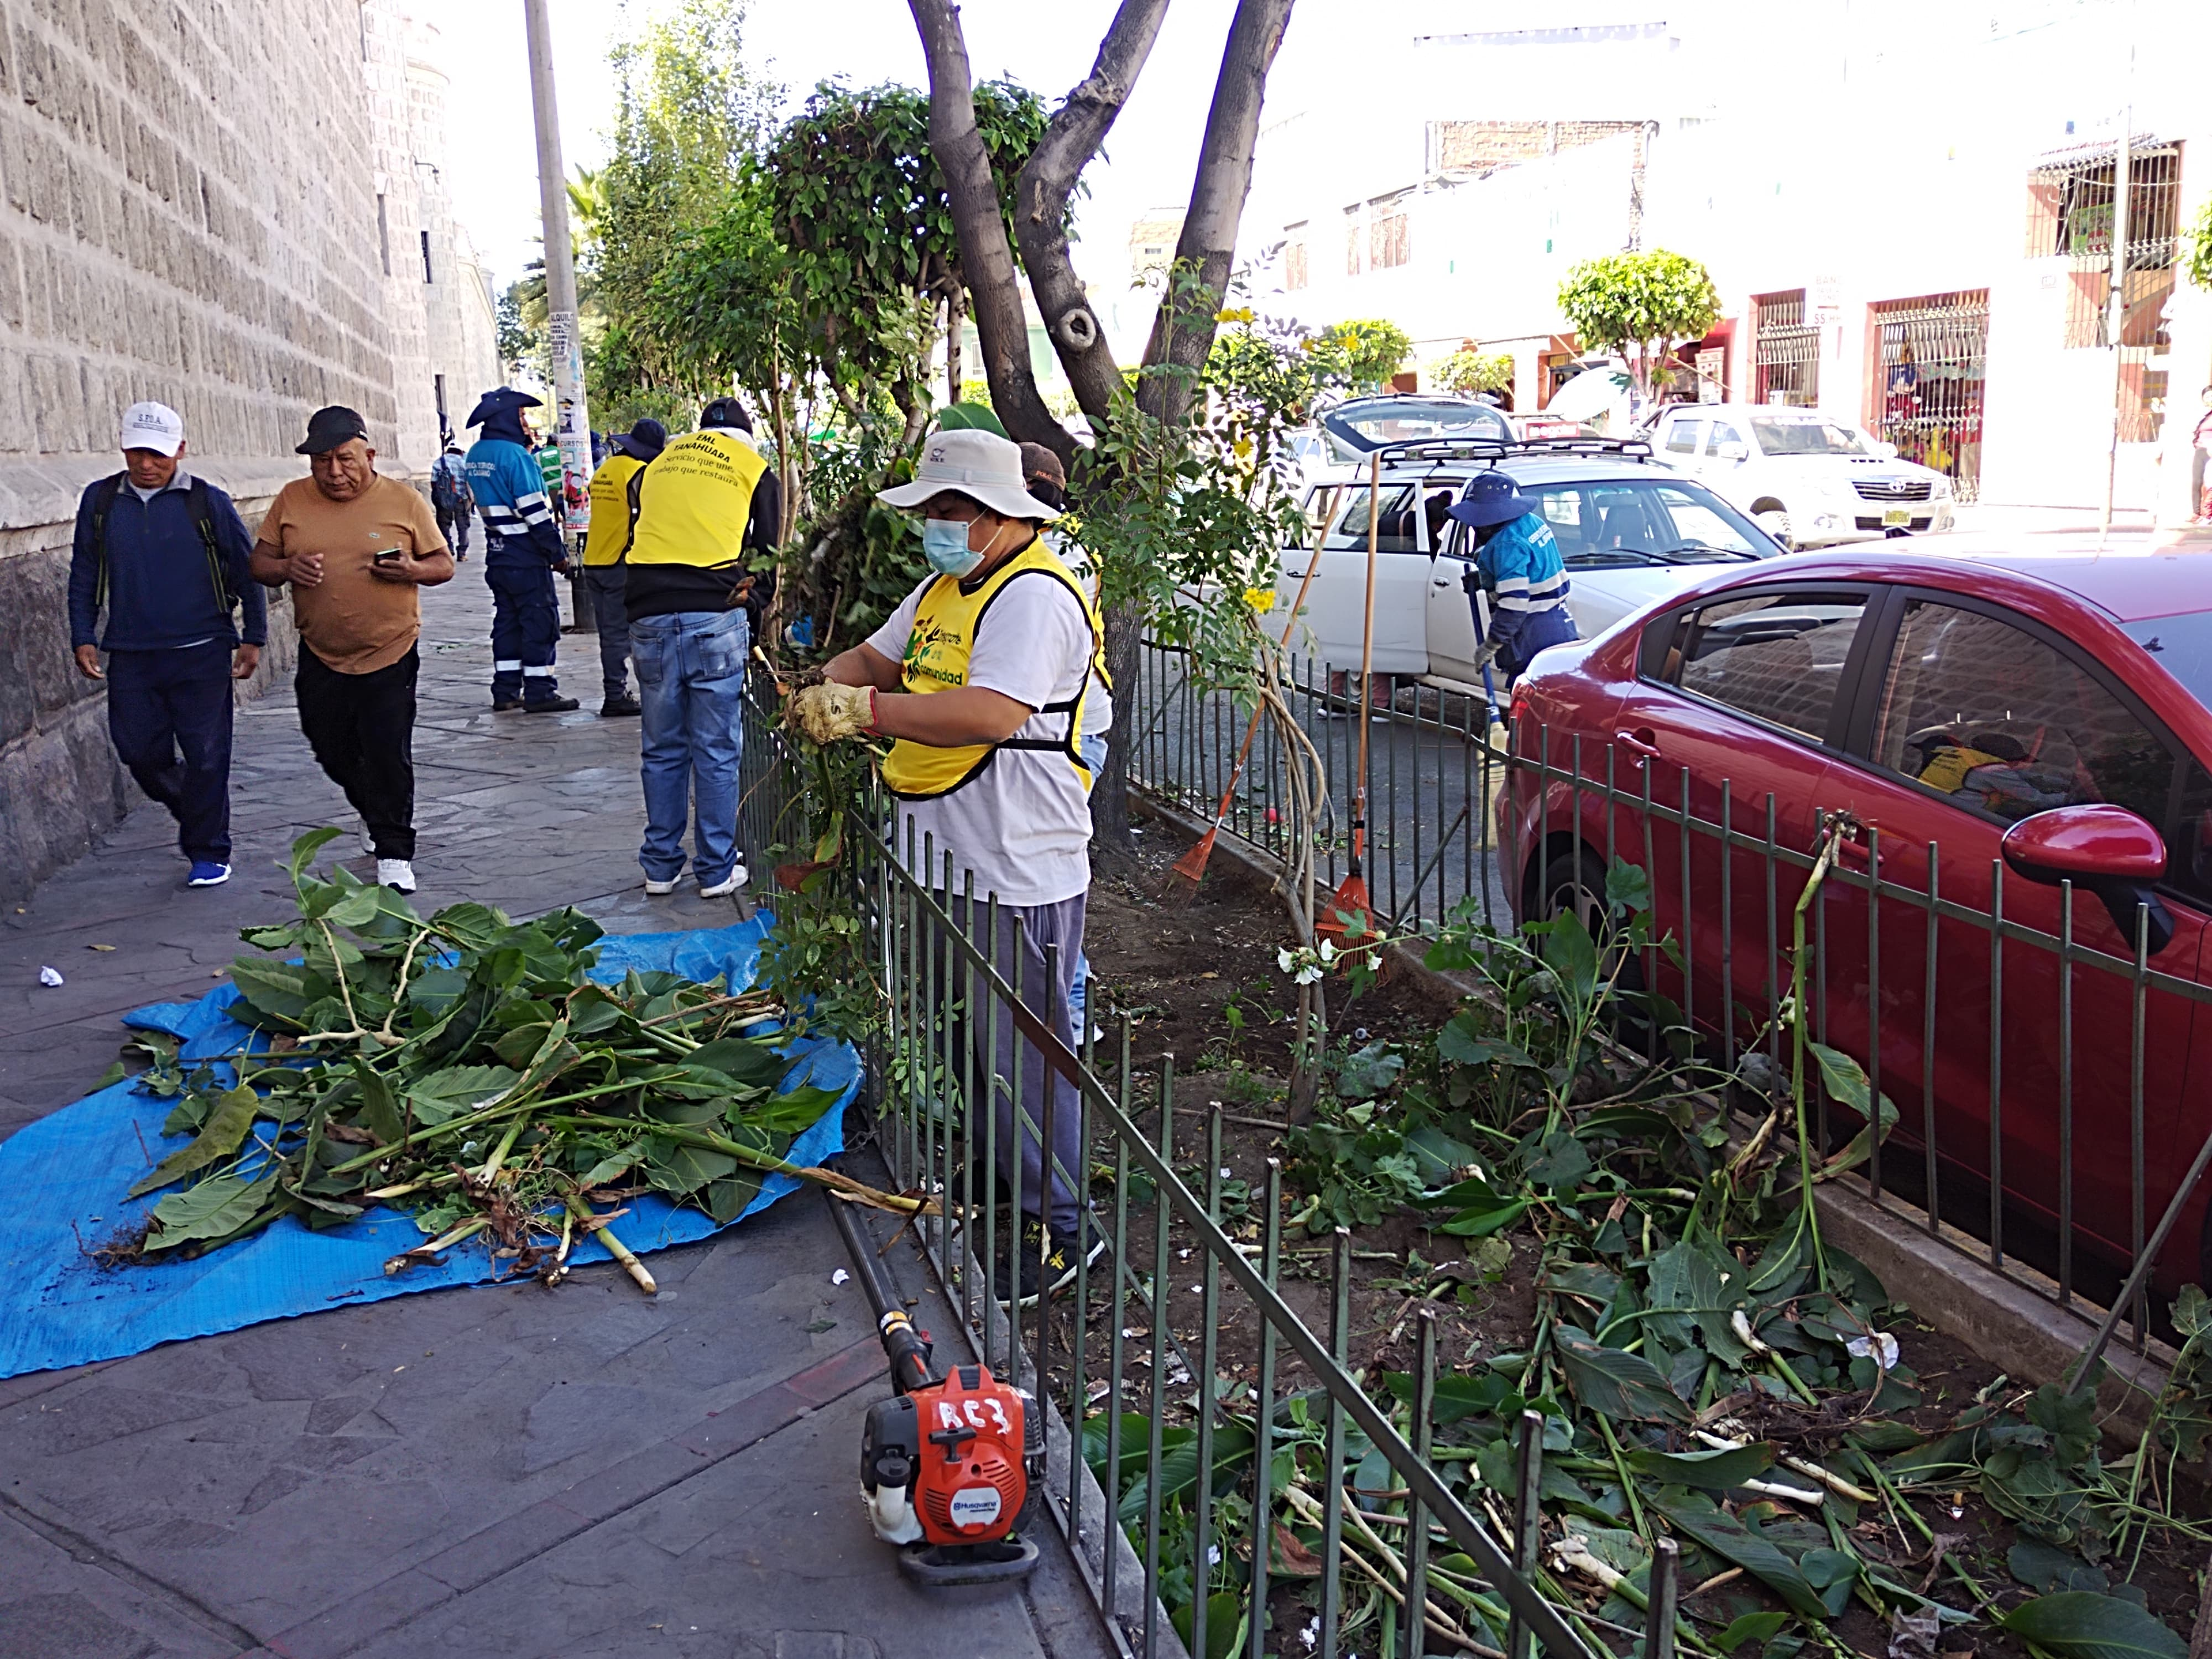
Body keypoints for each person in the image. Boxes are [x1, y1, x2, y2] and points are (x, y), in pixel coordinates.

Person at [789, 428, 1108, 1306]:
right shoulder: (943, 589)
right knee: (976, 1041)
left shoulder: (1034, 595)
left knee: (1028, 1051)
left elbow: (996, 712)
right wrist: (832, 681)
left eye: (951, 509)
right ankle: (1009, 1173)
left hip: (1015, 862)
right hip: (946, 855)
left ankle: (1067, 1227)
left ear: (1003, 515)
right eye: (930, 508)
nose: (935, 522)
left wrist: (870, 710)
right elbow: (877, 659)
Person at [249, 406, 455, 894]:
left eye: (344, 459)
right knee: (330, 746)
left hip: (391, 647)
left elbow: (442, 564)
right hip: (321, 649)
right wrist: (287, 569)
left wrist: (410, 570)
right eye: (322, 462)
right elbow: (259, 562)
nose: (334, 473)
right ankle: (371, 807)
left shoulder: (403, 501)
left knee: (386, 750)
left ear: (369, 454)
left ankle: (394, 850)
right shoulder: (292, 500)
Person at [66, 400, 266, 888]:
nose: (147, 464)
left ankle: (208, 851)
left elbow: (246, 570)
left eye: (158, 454)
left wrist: (254, 637)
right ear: (123, 448)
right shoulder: (101, 502)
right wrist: (83, 634)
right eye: (137, 452)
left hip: (202, 649)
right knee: (139, 752)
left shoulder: (207, 502)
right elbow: (86, 573)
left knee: (206, 754)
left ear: (180, 450)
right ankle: (197, 811)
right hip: (133, 654)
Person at [623, 398, 781, 897]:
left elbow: (639, 534)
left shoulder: (656, 466)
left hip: (647, 614)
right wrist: (754, 604)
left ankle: (661, 867)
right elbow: (768, 556)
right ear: (747, 436)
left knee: (662, 747)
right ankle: (715, 870)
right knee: (715, 749)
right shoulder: (755, 469)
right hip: (713, 615)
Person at [463, 387, 577, 713]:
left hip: (498, 554)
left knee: (508, 624)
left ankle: (506, 689)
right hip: (526, 556)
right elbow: (536, 513)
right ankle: (541, 690)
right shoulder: (515, 456)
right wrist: (557, 555)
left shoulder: (477, 454)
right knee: (540, 621)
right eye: (522, 415)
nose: (526, 422)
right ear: (507, 419)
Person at [1447, 471, 1578, 680]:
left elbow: (1514, 603)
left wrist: (1491, 644)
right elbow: (1533, 572)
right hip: (1559, 623)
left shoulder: (1506, 543)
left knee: (1529, 698)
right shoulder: (1531, 522)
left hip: (1532, 633)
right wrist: (1485, 580)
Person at [580, 418, 666, 718]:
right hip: (619, 562)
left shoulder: (606, 469)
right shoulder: (638, 474)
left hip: (594, 560)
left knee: (609, 632)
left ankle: (615, 690)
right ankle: (616, 695)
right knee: (624, 634)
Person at [430, 440, 475, 560]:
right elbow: (470, 482)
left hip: (444, 501)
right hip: (462, 500)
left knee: (443, 526)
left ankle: (449, 549)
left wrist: (441, 497)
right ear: (460, 451)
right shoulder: (464, 462)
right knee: (463, 527)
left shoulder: (439, 462)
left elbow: (434, 482)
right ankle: (462, 553)